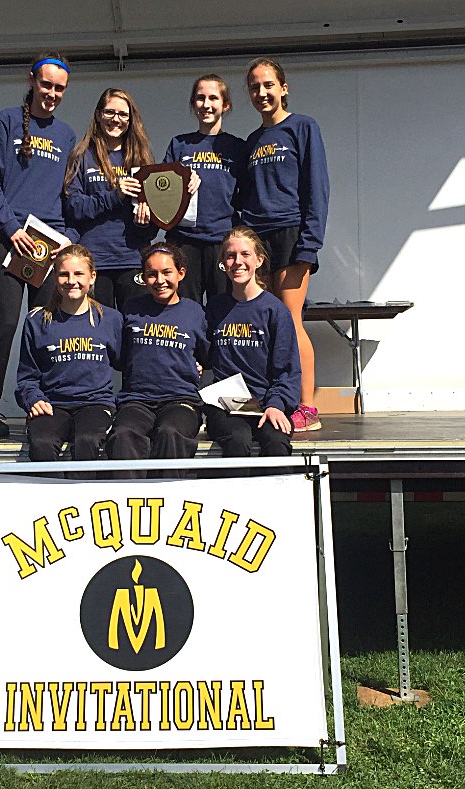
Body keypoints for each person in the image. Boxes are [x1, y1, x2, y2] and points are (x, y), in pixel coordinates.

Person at [0, 51, 77, 437]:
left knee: (45, 326)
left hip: (48, 245)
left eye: (59, 88)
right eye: (46, 84)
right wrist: (11, 228)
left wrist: (68, 240)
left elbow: (69, 194)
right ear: (32, 81)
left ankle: (45, 403)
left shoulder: (66, 135)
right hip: (8, 241)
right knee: (3, 323)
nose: (51, 93)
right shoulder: (5, 122)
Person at [243, 57, 329, 431]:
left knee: (291, 320)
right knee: (266, 322)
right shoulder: (252, 141)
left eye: (268, 85)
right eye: (255, 87)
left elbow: (317, 188)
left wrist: (309, 244)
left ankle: (307, 406)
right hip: (257, 239)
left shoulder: (303, 127)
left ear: (283, 87)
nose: (262, 93)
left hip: (291, 233)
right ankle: (276, 397)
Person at [15, 245, 122, 476]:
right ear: (55, 277)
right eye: (64, 274)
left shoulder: (111, 319)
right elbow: (26, 378)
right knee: (42, 443)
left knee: (87, 440)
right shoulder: (37, 321)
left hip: (95, 403)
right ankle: (52, 506)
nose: (71, 281)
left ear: (92, 277)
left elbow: (130, 363)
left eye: (78, 274)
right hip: (53, 404)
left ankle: (83, 505)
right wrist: (33, 399)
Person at [105, 242, 208, 476]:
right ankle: (128, 502)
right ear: (143, 278)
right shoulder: (131, 309)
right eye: (152, 274)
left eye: (167, 272)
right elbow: (120, 356)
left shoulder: (195, 313)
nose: (159, 280)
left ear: (181, 273)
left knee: (170, 432)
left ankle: (166, 502)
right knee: (122, 435)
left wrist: (196, 365)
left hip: (180, 400)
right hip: (137, 400)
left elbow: (206, 354)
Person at [205, 227, 300, 457]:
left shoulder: (275, 311)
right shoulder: (214, 309)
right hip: (225, 405)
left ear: (259, 260)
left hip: (266, 401)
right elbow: (203, 353)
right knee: (237, 440)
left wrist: (276, 404)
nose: (238, 261)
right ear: (223, 263)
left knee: (276, 440)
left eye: (245, 254)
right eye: (230, 255)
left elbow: (287, 371)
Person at [64, 88, 156, 310]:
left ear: (131, 119)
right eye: (110, 112)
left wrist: (144, 223)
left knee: (133, 329)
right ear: (98, 115)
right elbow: (74, 207)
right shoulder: (82, 156)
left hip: (132, 259)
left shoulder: (143, 160)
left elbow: (152, 227)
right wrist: (115, 194)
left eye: (123, 114)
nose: (116, 119)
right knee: (99, 331)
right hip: (95, 261)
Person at [164, 74, 245, 304]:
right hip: (184, 241)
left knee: (223, 309)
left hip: (222, 241)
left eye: (213, 98)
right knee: (187, 310)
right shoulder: (179, 144)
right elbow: (164, 194)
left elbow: (245, 196)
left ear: (225, 104)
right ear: (193, 104)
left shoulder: (237, 147)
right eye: (200, 98)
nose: (206, 105)